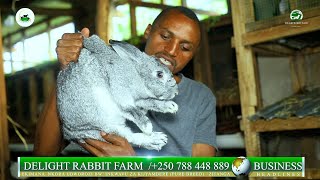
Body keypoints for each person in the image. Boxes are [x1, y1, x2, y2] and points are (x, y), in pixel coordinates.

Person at [34, 6, 217, 157]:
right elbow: (43, 156)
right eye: (165, 37)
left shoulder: (201, 97)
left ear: (193, 54)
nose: (171, 50)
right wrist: (69, 70)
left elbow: (202, 174)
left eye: (185, 47)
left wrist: (136, 168)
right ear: (148, 31)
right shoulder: (105, 72)